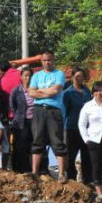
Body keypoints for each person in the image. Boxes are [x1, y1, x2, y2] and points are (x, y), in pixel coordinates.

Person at [29, 51, 68, 182]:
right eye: (45, 60)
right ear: (41, 61)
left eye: (49, 60)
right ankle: (34, 172)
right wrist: (47, 93)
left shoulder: (59, 74)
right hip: (39, 110)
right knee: (37, 140)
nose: (47, 62)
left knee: (57, 141)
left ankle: (62, 174)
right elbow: (31, 92)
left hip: (54, 110)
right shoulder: (36, 76)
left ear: (53, 60)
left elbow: (56, 90)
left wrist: (39, 91)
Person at [62, 67, 92, 184]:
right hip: (71, 127)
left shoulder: (87, 92)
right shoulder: (67, 93)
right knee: (70, 155)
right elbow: (64, 112)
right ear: (72, 77)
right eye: (77, 76)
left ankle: (87, 179)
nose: (80, 79)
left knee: (87, 155)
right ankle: (71, 178)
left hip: (86, 128)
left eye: (82, 76)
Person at [10, 66, 35, 173]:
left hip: (34, 121)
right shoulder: (16, 91)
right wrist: (19, 116)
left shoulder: (35, 89)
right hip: (21, 122)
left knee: (33, 145)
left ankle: (33, 169)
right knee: (20, 146)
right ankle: (19, 169)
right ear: (21, 77)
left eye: (30, 76)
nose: (28, 78)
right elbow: (13, 106)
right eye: (25, 75)